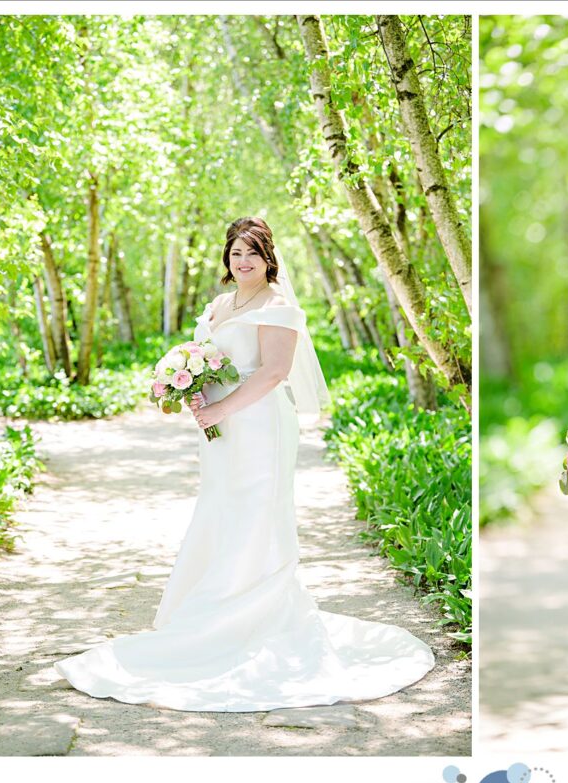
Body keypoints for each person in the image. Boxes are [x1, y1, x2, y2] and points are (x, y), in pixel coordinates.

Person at [54, 217, 435, 712]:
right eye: (236, 253)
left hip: (259, 427)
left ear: (268, 257)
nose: (243, 260)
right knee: (221, 508)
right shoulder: (219, 304)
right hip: (220, 432)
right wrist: (188, 388)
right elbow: (206, 357)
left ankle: (250, 613)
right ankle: (211, 607)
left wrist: (221, 407)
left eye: (252, 252)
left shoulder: (278, 306)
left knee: (256, 511)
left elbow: (275, 372)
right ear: (227, 259)